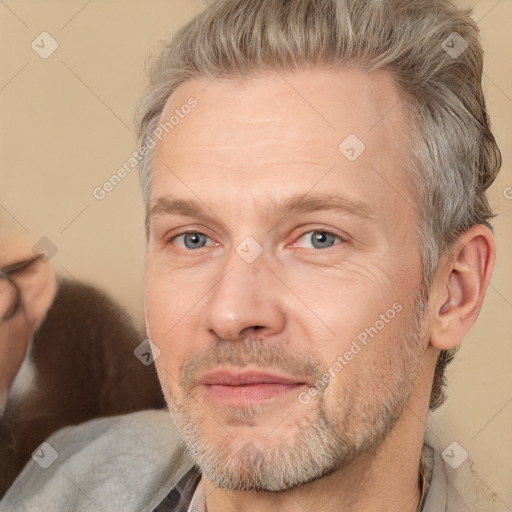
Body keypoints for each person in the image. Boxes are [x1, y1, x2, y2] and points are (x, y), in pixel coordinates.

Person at [0, 0, 502, 510]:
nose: (232, 313)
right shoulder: (68, 481)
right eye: (193, 238)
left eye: (318, 238)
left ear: (454, 290)